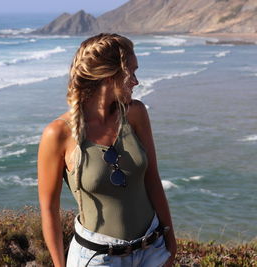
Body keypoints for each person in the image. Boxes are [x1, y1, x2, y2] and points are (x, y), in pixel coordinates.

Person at [37, 33, 177, 267]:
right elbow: (49, 210)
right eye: (130, 72)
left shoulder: (135, 114)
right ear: (107, 75)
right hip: (97, 258)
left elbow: (152, 179)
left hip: (151, 249)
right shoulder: (58, 134)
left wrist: (170, 243)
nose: (136, 81)